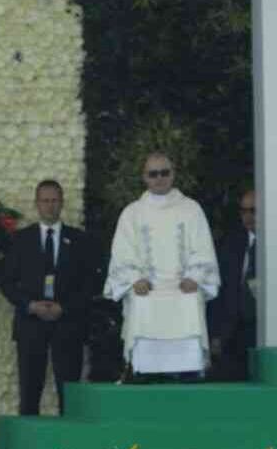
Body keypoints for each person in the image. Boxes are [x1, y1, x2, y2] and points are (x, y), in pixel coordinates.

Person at [104, 152, 219, 377]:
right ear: (144, 177)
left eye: (164, 173)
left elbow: (203, 248)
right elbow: (122, 253)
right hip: (147, 288)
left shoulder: (191, 209)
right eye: (153, 174)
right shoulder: (132, 212)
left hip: (182, 287)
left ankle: (188, 369)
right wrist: (135, 279)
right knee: (140, 300)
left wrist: (194, 277)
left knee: (190, 298)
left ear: (173, 174)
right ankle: (143, 370)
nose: (159, 178)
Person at [1, 180, 97, 414]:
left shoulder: (80, 240)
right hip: (30, 325)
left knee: (69, 393)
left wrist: (65, 308)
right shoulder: (21, 239)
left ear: (62, 203)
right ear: (37, 204)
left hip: (67, 324)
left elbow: (90, 284)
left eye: (54, 200)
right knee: (29, 391)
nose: (50, 206)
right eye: (45, 200)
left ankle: (70, 446)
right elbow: (6, 282)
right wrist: (29, 305)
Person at [209, 189, 259, 380]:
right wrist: (215, 335)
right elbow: (219, 291)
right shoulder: (231, 243)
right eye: (243, 211)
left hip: (265, 331)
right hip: (232, 333)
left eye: (253, 210)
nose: (248, 216)